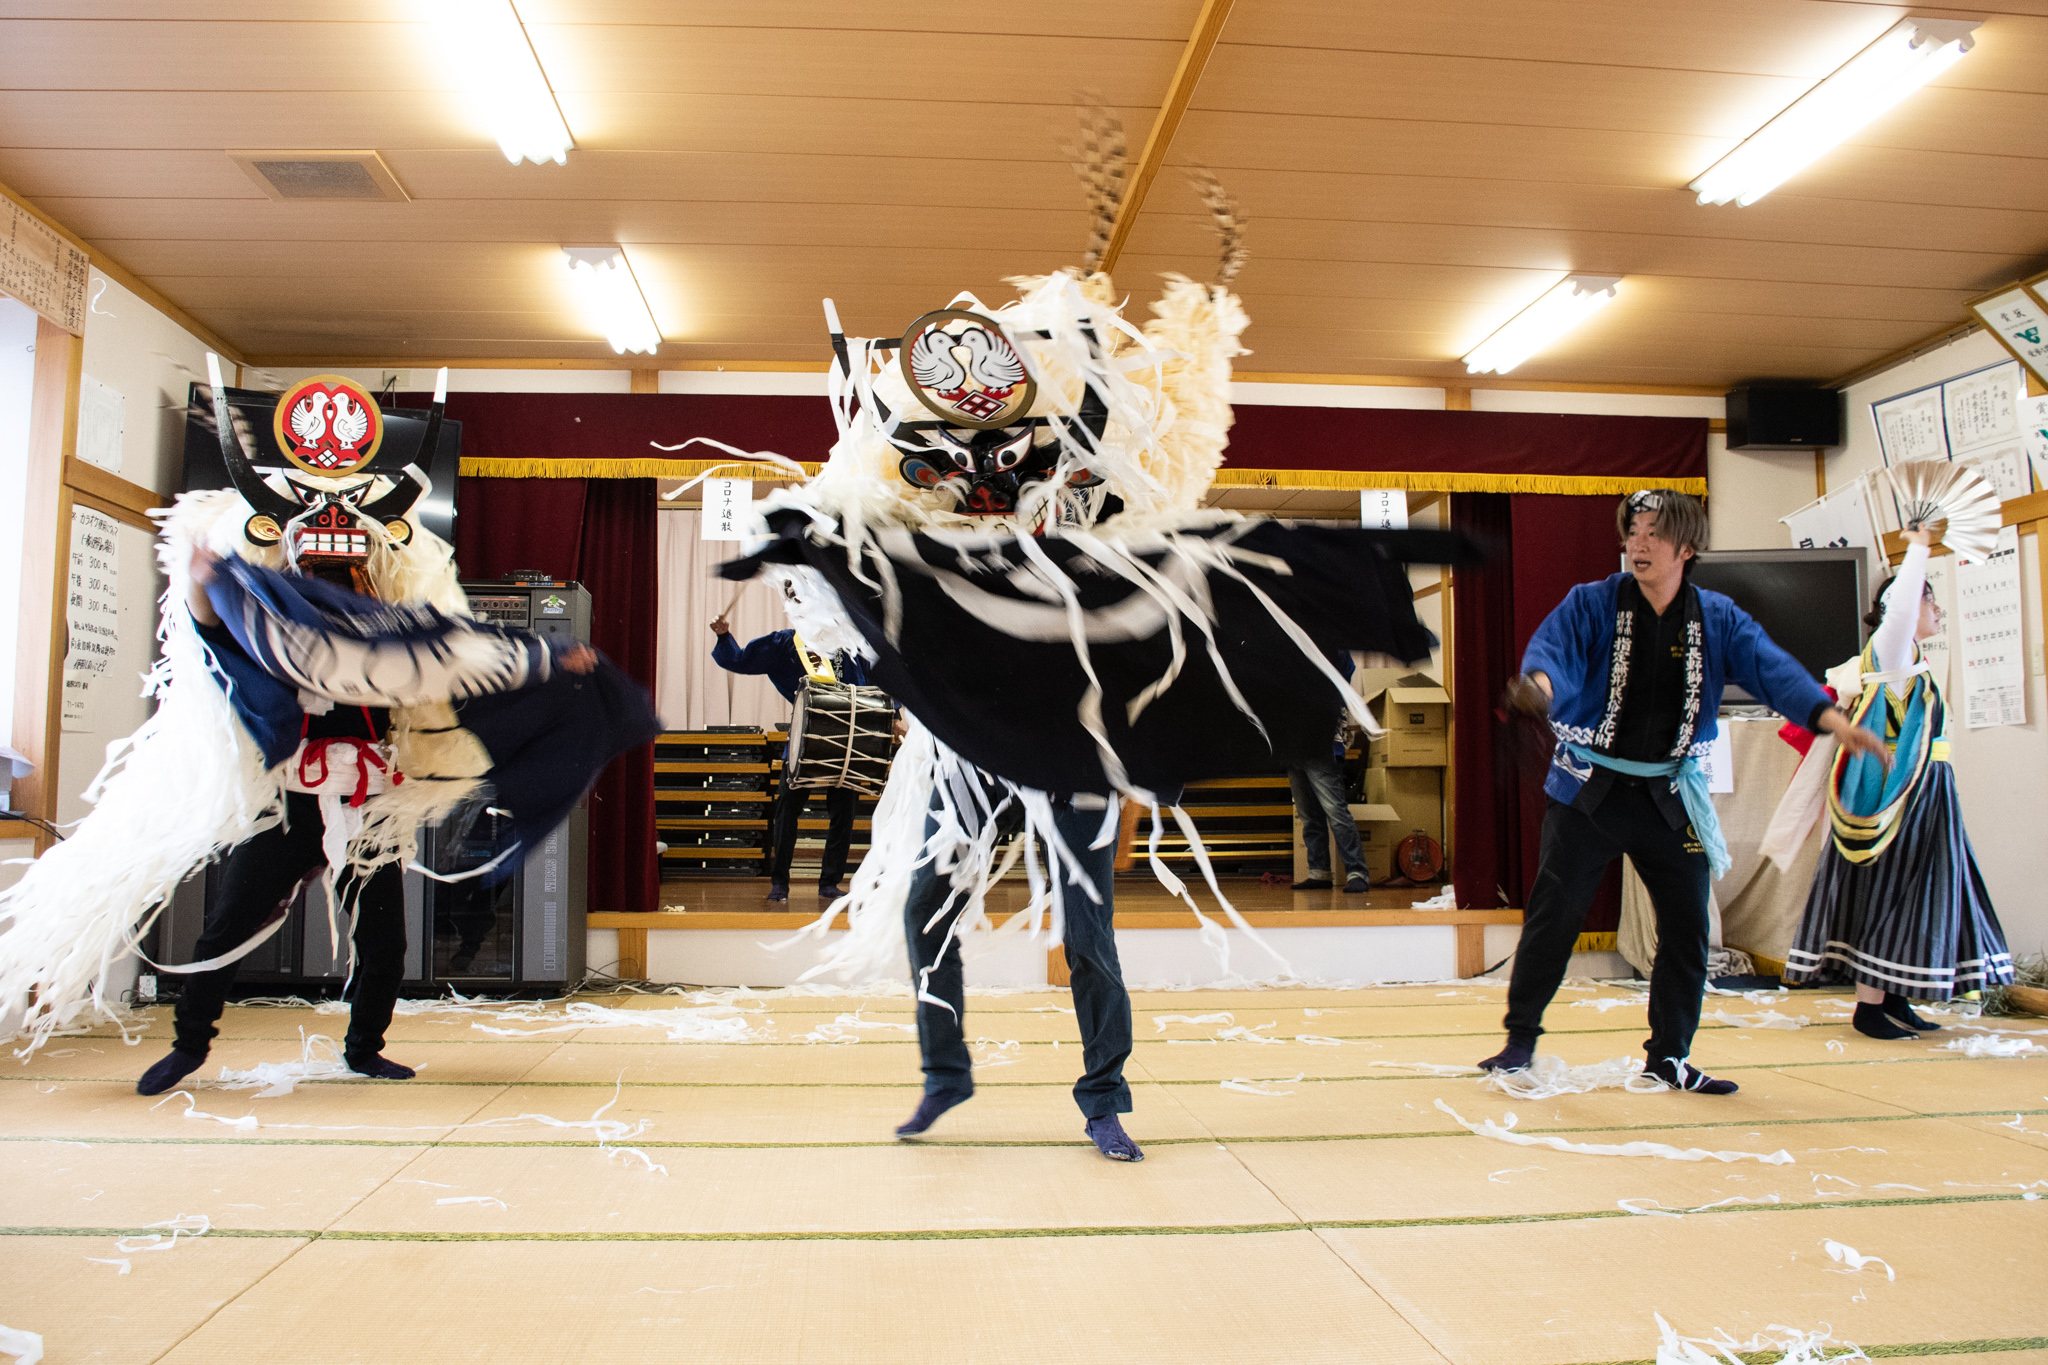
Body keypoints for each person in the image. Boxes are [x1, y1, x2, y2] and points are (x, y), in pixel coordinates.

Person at [135, 549, 603, 1097]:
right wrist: (201, 579)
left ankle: (364, 1049)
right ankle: (189, 1044)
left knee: (384, 940)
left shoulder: (389, 647)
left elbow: (466, 657)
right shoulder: (274, 639)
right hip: (289, 804)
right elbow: (210, 624)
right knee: (228, 925)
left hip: (367, 810)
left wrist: (550, 656)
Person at [1480, 489, 1887, 1094]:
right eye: (1633, 532)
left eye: (1654, 533)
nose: (1638, 544)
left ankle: (1669, 1056)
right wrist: (1538, 686)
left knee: (1688, 926)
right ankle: (1519, 1042)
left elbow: (1770, 668)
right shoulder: (1591, 603)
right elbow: (1553, 656)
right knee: (1554, 918)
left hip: (1669, 796)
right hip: (1588, 789)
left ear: (1687, 548)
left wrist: (1832, 720)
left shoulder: (1716, 618)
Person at [1782, 526, 2013, 1034]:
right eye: (1929, 600)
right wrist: (1920, 548)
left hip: (1927, 793)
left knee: (1921, 889)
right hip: (1899, 796)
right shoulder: (1891, 649)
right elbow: (1901, 607)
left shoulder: (1907, 660)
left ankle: (1891, 999)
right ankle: (1869, 1005)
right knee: (1893, 889)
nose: (1935, 611)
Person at [894, 791, 1140, 1159]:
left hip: (1073, 766)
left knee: (1089, 937)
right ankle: (946, 1076)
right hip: (979, 763)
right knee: (926, 915)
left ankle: (1103, 1099)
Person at [710, 614, 889, 902]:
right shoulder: (788, 643)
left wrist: (893, 715)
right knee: (787, 812)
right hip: (805, 739)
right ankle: (779, 882)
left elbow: (885, 680)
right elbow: (742, 659)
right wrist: (723, 638)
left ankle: (830, 882)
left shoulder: (854, 644)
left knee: (843, 814)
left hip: (848, 742)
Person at [1289, 653, 1369, 893]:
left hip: (1323, 745)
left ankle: (1357, 872)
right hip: (1294, 746)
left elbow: (1344, 669)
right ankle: (1319, 871)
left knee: (1335, 810)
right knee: (1308, 814)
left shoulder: (1333, 651)